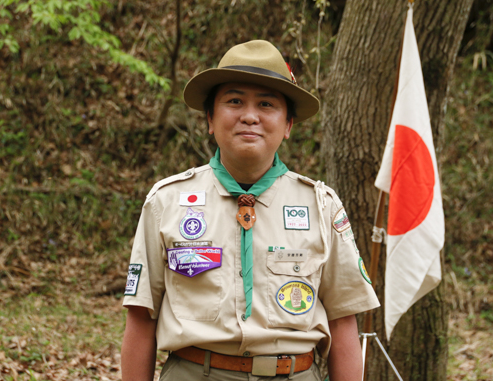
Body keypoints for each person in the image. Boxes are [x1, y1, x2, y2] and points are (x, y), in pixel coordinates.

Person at [121, 40, 380, 381]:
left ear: (287, 125)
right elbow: (141, 318)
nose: (249, 116)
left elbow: (342, 319)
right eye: (234, 101)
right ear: (211, 119)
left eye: (266, 104)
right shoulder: (167, 202)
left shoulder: (321, 205)